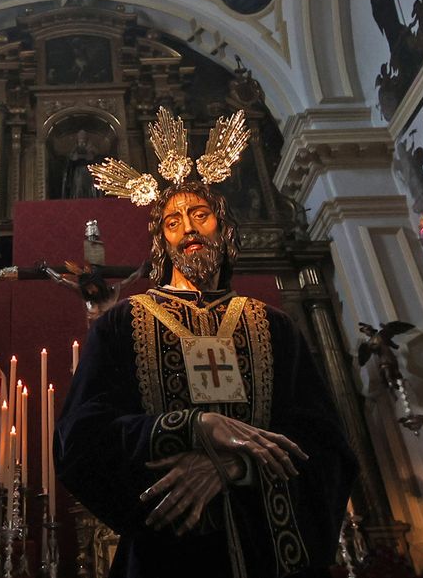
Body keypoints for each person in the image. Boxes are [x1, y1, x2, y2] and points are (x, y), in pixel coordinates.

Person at [55, 109, 355, 578]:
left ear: (224, 228)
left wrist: (233, 467)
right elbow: (82, 442)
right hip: (169, 551)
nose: (189, 229)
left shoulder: (274, 328)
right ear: (161, 241)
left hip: (267, 548)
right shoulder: (122, 326)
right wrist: (195, 426)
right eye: (173, 221)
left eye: (200, 215)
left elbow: (326, 444)